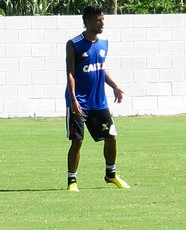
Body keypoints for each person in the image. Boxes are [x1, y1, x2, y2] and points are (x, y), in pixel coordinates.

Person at [65, 4, 130, 192]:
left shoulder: (104, 44)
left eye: (103, 19)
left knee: (111, 136)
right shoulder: (74, 44)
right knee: (77, 141)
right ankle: (72, 181)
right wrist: (73, 100)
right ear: (88, 21)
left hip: (99, 102)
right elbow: (70, 73)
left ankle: (111, 175)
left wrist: (115, 86)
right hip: (79, 102)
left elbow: (100, 68)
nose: (102, 23)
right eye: (98, 20)